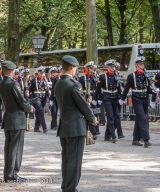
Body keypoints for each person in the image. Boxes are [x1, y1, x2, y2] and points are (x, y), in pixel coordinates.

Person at [54, 55, 97, 192]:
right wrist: (92, 118)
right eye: (76, 68)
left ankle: (66, 185)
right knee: (75, 160)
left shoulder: (59, 83)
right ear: (72, 67)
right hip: (75, 127)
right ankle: (71, 188)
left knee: (66, 158)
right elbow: (82, 105)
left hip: (65, 126)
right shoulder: (73, 84)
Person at [0, 60, 34, 182]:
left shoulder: (2, 83)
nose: (15, 73)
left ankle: (7, 173)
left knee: (8, 148)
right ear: (10, 70)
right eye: (14, 71)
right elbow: (21, 100)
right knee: (16, 148)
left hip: (8, 118)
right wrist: (29, 107)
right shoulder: (13, 84)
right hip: (17, 119)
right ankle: (13, 174)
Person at [119, 56, 155, 147]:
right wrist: (122, 99)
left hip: (144, 99)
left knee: (140, 118)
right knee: (143, 118)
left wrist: (155, 90)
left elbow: (147, 89)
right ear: (136, 65)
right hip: (137, 99)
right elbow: (126, 88)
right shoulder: (132, 76)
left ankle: (135, 139)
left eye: (143, 64)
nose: (142, 65)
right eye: (140, 64)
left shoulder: (145, 76)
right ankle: (146, 139)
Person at [94, 59, 124, 143]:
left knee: (117, 116)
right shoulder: (103, 77)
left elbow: (119, 88)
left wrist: (122, 97)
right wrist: (96, 99)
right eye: (111, 66)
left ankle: (110, 135)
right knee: (110, 116)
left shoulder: (116, 76)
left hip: (115, 97)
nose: (113, 68)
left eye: (113, 66)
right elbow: (98, 89)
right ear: (107, 67)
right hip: (107, 98)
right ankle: (113, 136)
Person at [79, 61, 100, 140]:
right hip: (86, 98)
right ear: (87, 69)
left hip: (95, 97)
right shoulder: (82, 78)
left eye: (93, 68)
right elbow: (80, 90)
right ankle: (93, 132)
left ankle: (96, 129)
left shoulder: (95, 78)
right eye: (91, 68)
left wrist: (98, 98)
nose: (92, 70)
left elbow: (98, 89)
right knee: (89, 114)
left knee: (96, 113)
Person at [29, 66, 49, 133]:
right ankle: (44, 128)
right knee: (41, 112)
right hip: (36, 98)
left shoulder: (45, 80)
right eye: (41, 72)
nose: (42, 73)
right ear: (38, 73)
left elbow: (47, 90)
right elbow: (30, 90)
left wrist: (48, 98)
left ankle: (36, 127)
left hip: (43, 98)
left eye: (43, 72)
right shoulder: (34, 80)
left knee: (38, 113)